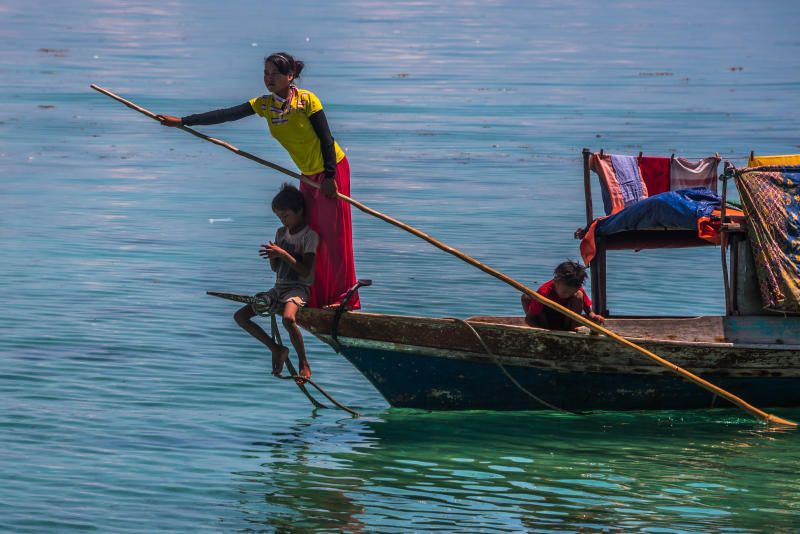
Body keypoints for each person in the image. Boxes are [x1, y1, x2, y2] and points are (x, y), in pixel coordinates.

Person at [157, 51, 360, 310]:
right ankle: (317, 297)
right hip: (308, 175)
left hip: (332, 170)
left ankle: (344, 299)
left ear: (290, 76)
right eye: (265, 73)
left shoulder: (307, 100)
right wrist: (184, 122)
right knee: (312, 234)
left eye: (274, 73)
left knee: (334, 235)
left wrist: (330, 176)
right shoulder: (264, 105)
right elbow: (226, 114)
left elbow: (326, 139)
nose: (268, 78)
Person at [233, 184, 318, 382]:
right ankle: (276, 348)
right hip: (279, 288)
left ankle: (304, 362)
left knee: (288, 319)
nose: (283, 221)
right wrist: (273, 257)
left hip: (298, 288)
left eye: (286, 216)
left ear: (300, 211)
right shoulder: (281, 233)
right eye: (279, 217)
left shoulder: (309, 236)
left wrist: (283, 254)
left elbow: (306, 272)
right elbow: (276, 269)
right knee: (241, 316)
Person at [521, 261, 605, 331]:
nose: (567, 295)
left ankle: (572, 329)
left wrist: (594, 316)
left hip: (565, 323)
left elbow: (589, 311)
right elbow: (529, 319)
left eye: (570, 293)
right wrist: (541, 331)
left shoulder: (577, 290)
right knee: (527, 297)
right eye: (564, 292)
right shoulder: (544, 292)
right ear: (555, 281)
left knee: (579, 295)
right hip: (546, 324)